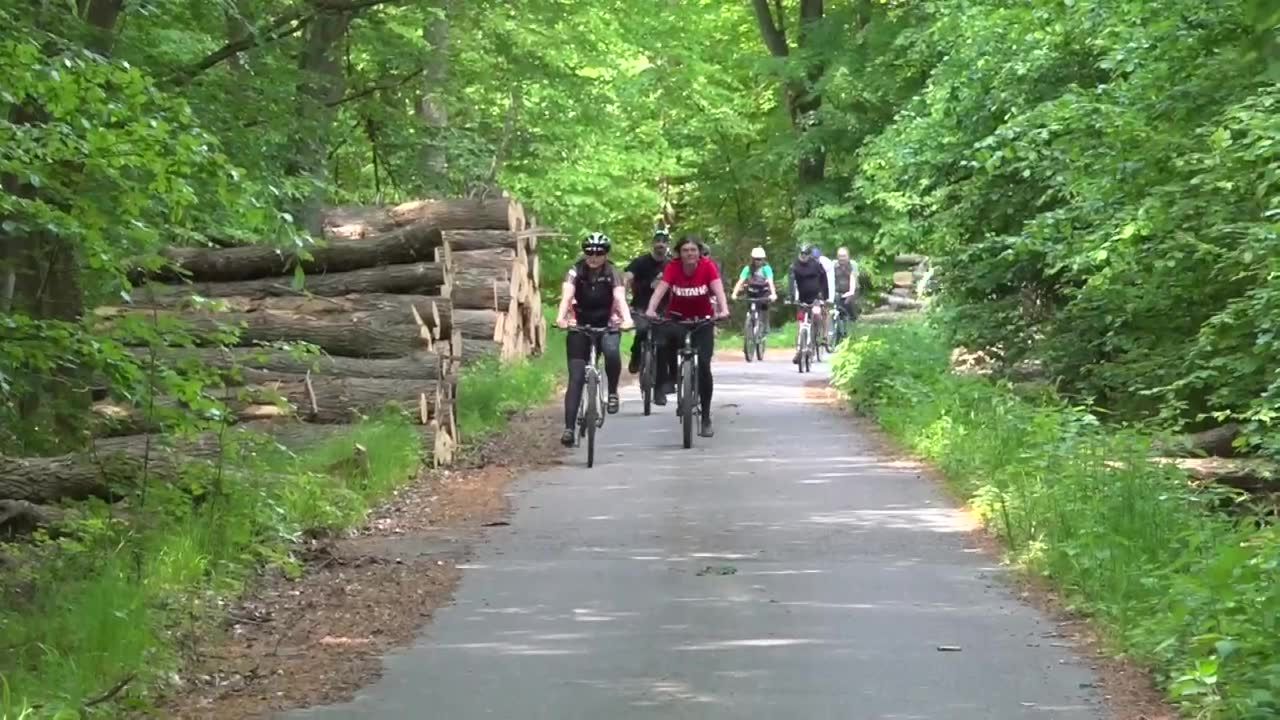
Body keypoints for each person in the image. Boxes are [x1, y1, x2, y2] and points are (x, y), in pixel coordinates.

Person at [645, 234, 731, 438]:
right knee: (663, 341)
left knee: (703, 366)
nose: (689, 254)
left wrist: (724, 310)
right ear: (679, 253)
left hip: (703, 320)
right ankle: (668, 380)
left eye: (693, 250)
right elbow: (661, 290)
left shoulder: (708, 266)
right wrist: (651, 309)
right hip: (677, 318)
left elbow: (718, 290)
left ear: (699, 252)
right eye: (685, 250)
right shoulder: (673, 267)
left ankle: (706, 417)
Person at [554, 232, 634, 447]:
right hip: (580, 324)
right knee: (576, 378)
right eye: (589, 251)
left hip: (606, 323)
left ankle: (613, 391)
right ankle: (569, 428)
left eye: (599, 252)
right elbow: (567, 296)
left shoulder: (612, 272)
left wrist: (626, 319)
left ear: (606, 254)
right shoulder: (576, 270)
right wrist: (561, 318)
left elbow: (619, 298)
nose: (594, 256)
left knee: (611, 352)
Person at [788, 243, 829, 364]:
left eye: (806, 254)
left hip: (815, 298)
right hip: (802, 298)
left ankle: (817, 336)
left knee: (816, 315)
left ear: (809, 255)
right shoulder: (795, 266)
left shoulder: (816, 265)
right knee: (801, 322)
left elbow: (823, 279)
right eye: (802, 254)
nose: (803, 256)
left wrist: (824, 296)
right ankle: (799, 350)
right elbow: (791, 281)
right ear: (799, 254)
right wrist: (791, 296)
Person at [730, 246, 778, 334]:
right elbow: (740, 281)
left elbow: (771, 282)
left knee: (764, 308)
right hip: (751, 292)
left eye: (760, 259)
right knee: (750, 310)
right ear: (752, 259)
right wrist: (734, 293)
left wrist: (773, 294)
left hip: (763, 292)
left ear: (763, 259)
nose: (758, 261)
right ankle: (749, 330)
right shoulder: (747, 269)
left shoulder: (766, 269)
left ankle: (764, 325)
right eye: (756, 259)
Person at [832, 246, 860, 324]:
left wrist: (850, 292)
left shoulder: (853, 264)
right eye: (840, 256)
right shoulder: (833, 264)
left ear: (848, 256)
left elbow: (853, 279)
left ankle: (853, 320)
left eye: (844, 256)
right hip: (837, 290)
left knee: (848, 302)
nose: (841, 258)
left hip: (852, 289)